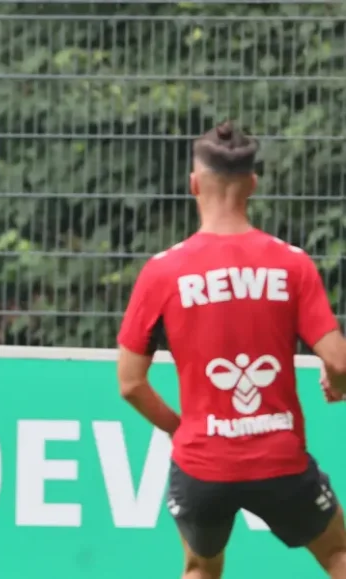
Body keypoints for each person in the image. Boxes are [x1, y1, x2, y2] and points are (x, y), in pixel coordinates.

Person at [116, 121, 346, 579]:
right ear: (253, 184)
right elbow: (338, 359)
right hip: (280, 461)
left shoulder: (162, 273)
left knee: (200, 569)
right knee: (339, 555)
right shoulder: (292, 264)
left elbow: (130, 384)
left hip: (203, 464)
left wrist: (183, 429)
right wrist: (336, 383)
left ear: (193, 184)